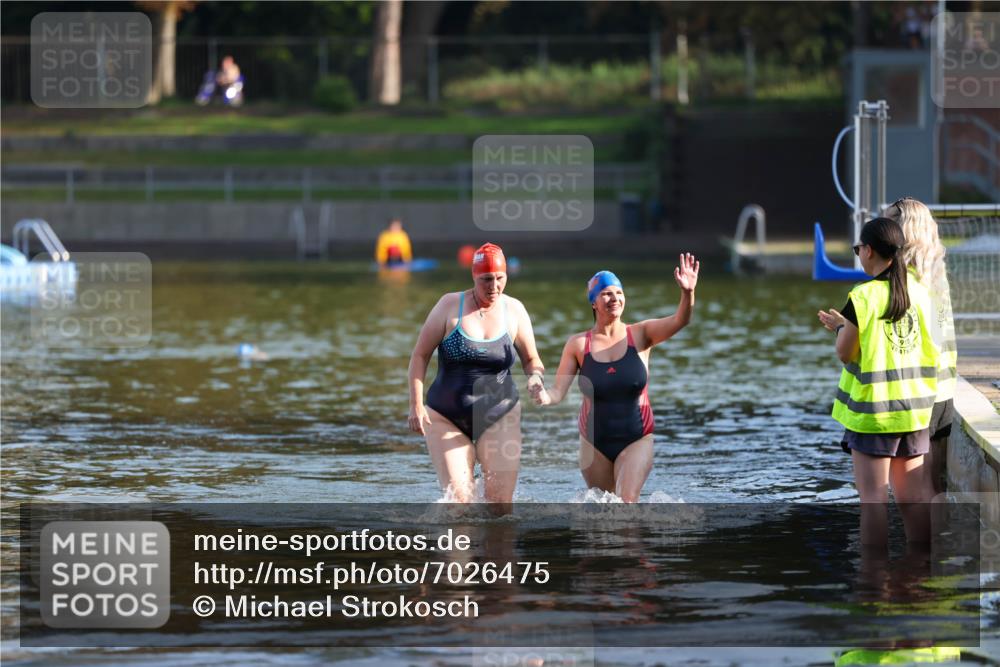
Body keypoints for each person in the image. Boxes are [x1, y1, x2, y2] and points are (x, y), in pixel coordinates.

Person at [531, 254, 699, 502]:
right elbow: (558, 392)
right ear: (593, 303)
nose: (614, 298)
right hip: (594, 444)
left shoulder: (641, 334)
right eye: (606, 293)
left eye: (618, 293)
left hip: (637, 437)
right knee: (604, 518)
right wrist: (543, 396)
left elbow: (680, 320)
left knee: (627, 503)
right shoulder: (578, 345)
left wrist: (688, 293)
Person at [817, 218, 940, 546]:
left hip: (874, 416)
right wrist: (849, 325)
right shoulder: (921, 290)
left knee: (873, 502)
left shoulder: (862, 297)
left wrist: (843, 329)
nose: (858, 254)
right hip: (913, 412)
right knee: (912, 500)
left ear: (869, 251)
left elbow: (846, 354)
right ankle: (920, 571)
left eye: (858, 248)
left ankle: (874, 584)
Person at [407, 243, 545, 506]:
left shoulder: (514, 310)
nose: (493, 286)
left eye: (500, 279)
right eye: (486, 279)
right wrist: (415, 404)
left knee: (500, 507)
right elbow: (419, 355)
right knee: (460, 504)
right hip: (446, 416)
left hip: (499, 416)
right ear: (473, 275)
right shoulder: (449, 306)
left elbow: (531, 359)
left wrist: (535, 378)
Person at [886, 197, 956, 494]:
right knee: (935, 483)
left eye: (889, 224)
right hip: (944, 391)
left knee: (917, 487)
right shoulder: (935, 276)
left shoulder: (903, 282)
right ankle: (939, 538)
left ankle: (922, 542)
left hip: (920, 395)